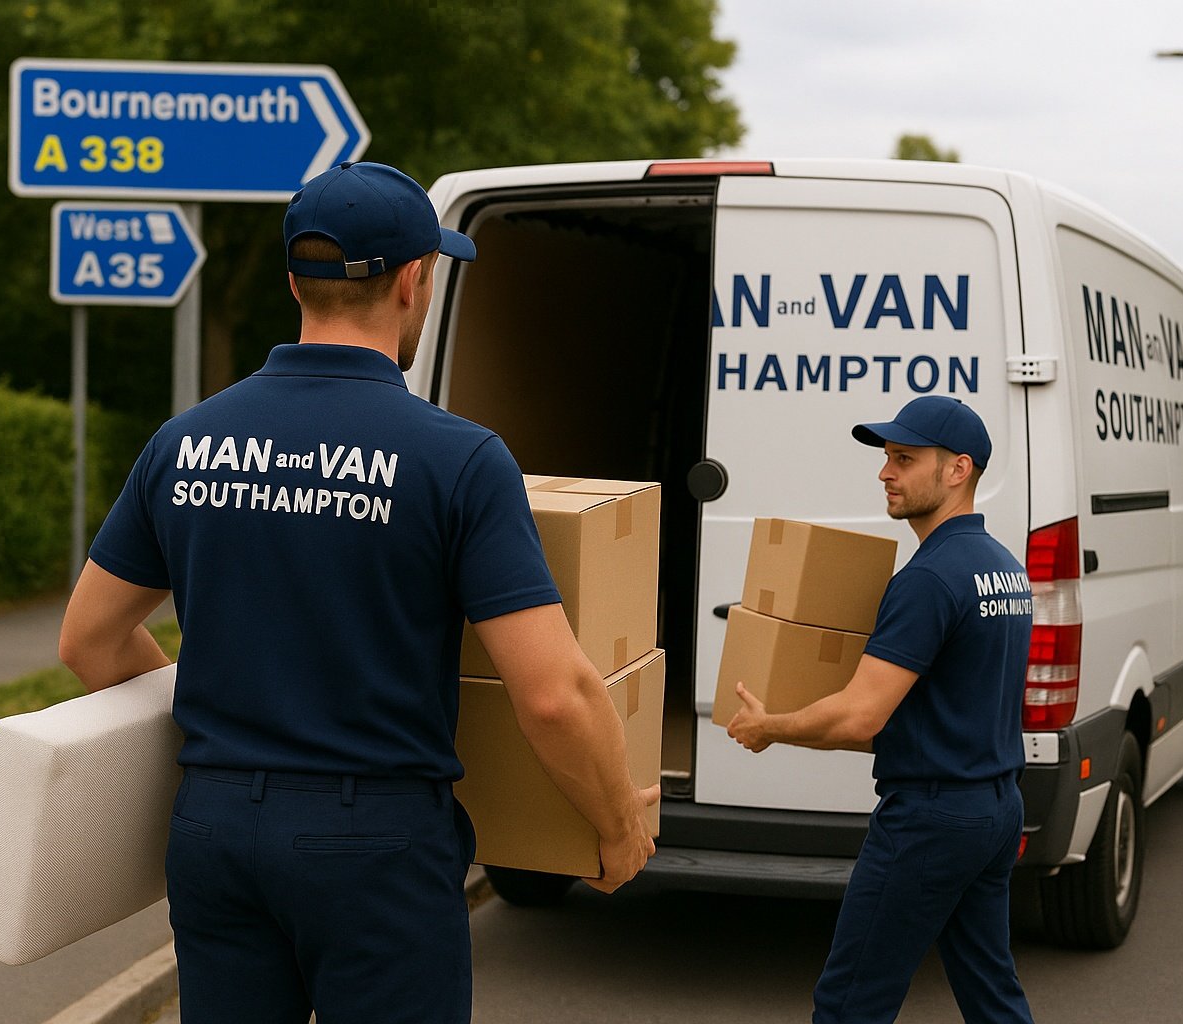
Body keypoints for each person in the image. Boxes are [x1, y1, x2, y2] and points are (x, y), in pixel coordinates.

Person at [58, 161, 658, 1024]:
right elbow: (555, 695)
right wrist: (615, 825)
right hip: (373, 846)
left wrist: (223, 730)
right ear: (414, 279)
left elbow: (90, 641)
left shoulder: (183, 443)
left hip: (214, 834)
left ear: (292, 280)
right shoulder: (458, 459)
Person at [727, 395, 1035, 1024]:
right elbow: (953, 701)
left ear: (958, 470)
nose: (885, 472)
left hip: (931, 818)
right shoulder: (1003, 568)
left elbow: (859, 717)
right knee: (992, 997)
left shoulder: (930, 578)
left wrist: (769, 728)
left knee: (850, 1005)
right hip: (995, 809)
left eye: (904, 458)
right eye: (886, 457)